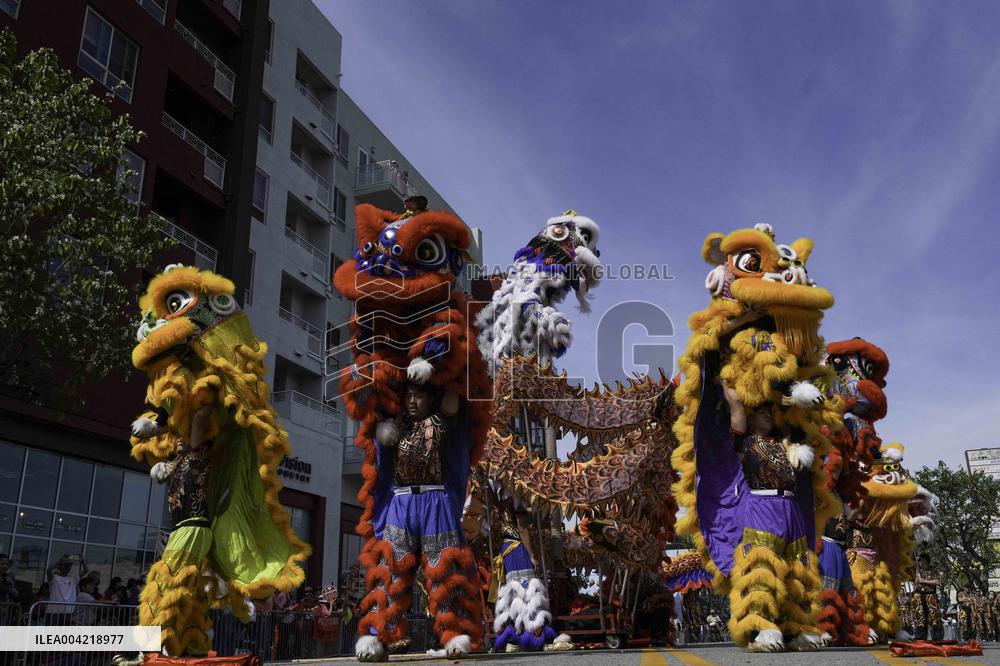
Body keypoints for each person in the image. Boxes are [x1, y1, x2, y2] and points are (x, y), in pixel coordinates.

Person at [909, 554, 942, 640]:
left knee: (934, 617)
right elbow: (910, 561)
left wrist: (923, 581)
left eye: (921, 560)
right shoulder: (917, 571)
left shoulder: (933, 570)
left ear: (926, 561)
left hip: (930, 595)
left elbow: (937, 581)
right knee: (920, 617)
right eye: (919, 560)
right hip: (919, 595)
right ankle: (920, 637)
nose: (919, 562)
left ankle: (937, 637)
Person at [47, 556, 88, 625]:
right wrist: (59, 562)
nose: (68, 567)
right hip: (54, 611)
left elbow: (86, 570)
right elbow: (48, 570)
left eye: (69, 566)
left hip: (68, 612)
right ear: (59, 567)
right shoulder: (54, 578)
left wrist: (82, 560)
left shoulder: (73, 579)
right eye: (65, 565)